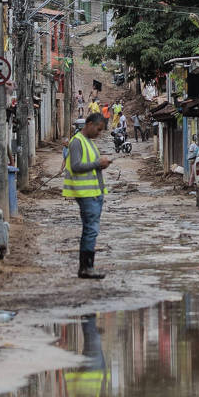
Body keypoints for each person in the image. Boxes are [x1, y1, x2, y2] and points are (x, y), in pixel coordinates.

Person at [63, 111, 111, 279]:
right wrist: (97, 163)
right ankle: (86, 267)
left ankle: (87, 266)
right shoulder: (77, 142)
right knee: (91, 229)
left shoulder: (88, 142)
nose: (99, 133)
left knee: (91, 229)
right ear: (89, 124)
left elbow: (89, 165)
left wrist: (101, 165)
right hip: (85, 193)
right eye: (98, 129)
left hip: (94, 192)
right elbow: (76, 166)